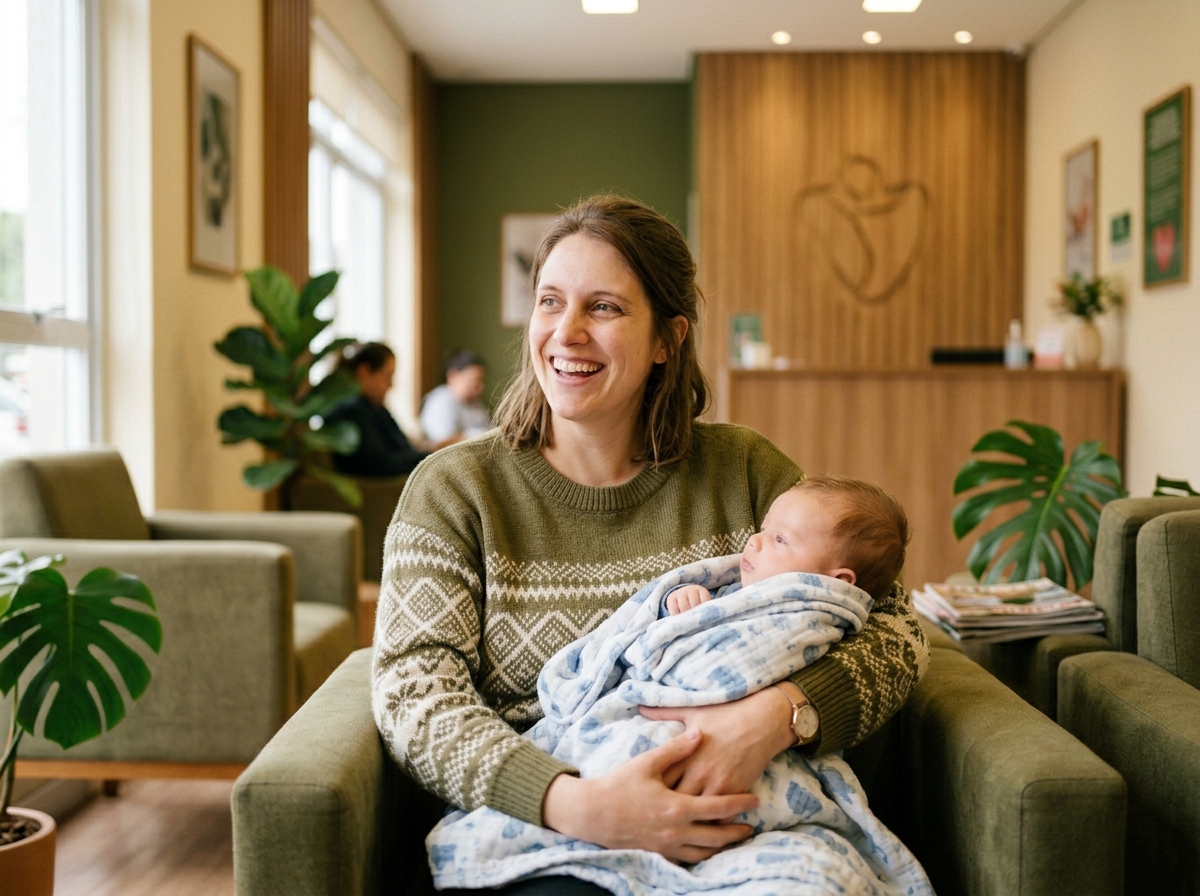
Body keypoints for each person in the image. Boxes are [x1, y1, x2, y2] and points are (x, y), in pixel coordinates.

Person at [372, 195, 929, 894]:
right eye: (550, 301)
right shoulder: (455, 490)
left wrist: (776, 717)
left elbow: (898, 630)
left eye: (603, 307)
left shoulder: (748, 473)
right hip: (551, 834)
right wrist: (577, 803)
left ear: (668, 339)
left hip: (748, 827)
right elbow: (413, 693)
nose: (566, 333)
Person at [664, 474, 909, 616]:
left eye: (780, 539)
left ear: (837, 584)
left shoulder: (807, 624)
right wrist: (682, 600)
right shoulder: (737, 591)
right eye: (763, 529)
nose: (753, 541)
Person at [325, 342, 429, 477]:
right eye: (387, 376)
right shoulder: (353, 410)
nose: (391, 385)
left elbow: (403, 448)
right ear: (364, 371)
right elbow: (380, 463)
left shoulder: (375, 409)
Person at [419, 349, 491, 443]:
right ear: (453, 376)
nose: (480, 387)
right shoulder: (441, 401)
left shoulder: (477, 404)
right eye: (474, 381)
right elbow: (442, 443)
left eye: (482, 381)